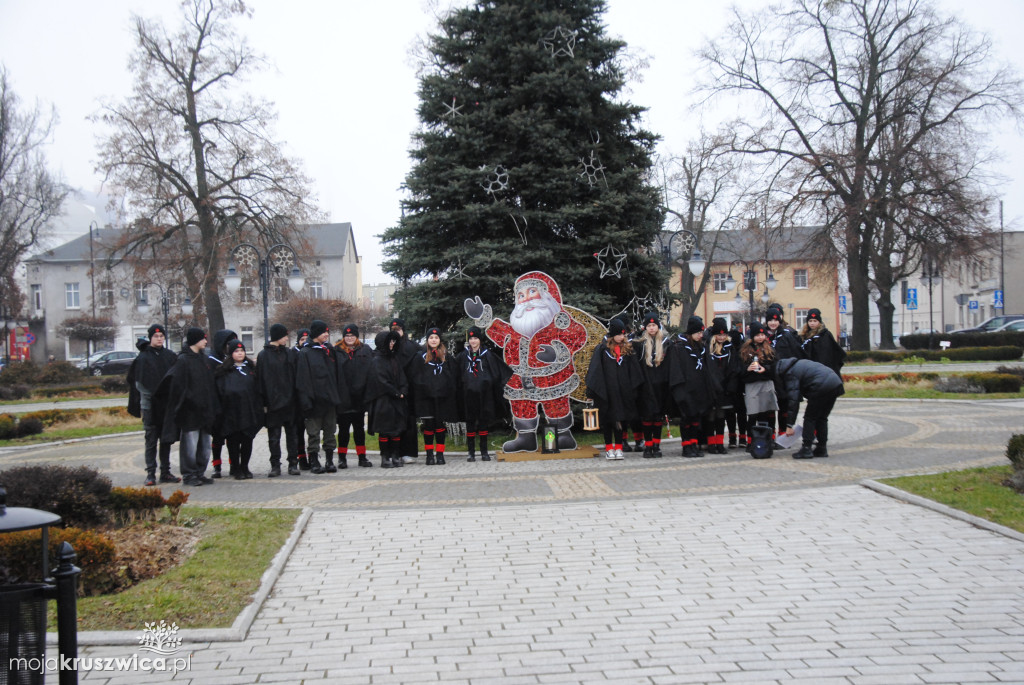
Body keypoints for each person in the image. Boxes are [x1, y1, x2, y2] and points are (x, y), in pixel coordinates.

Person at [464, 271, 587, 452]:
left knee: (555, 405)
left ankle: (561, 436)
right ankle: (525, 438)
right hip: (520, 379)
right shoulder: (515, 328)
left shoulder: (559, 323)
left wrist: (558, 352)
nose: (526, 299)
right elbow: (498, 331)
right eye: (521, 295)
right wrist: (483, 317)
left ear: (547, 296)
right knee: (522, 406)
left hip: (552, 377)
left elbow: (578, 336)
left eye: (532, 292)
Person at [154, 327, 219, 486]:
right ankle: (189, 475)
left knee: (204, 446)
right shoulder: (183, 360)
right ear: (195, 340)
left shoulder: (204, 359)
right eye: (203, 338)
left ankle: (200, 472)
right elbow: (176, 385)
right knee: (190, 445)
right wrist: (188, 401)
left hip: (205, 411)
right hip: (190, 412)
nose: (205, 341)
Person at [126, 324, 180, 486]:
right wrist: (154, 394)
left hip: (166, 405)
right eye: (156, 336)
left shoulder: (169, 356)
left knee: (166, 439)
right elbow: (138, 382)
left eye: (161, 336)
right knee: (151, 440)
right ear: (150, 338)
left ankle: (165, 472)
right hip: (149, 405)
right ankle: (150, 473)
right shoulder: (143, 357)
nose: (159, 339)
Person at [585, 318, 645, 459]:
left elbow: (634, 372)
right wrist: (591, 392)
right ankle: (608, 448)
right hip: (606, 392)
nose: (621, 337)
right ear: (613, 335)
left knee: (620, 420)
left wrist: (634, 389)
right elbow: (595, 371)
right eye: (618, 334)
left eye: (623, 334)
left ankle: (618, 447)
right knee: (608, 421)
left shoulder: (628, 350)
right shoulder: (602, 350)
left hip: (622, 392)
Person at [455, 326, 512, 462]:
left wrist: (490, 382)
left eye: (475, 338)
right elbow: (455, 372)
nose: (473, 341)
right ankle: (471, 452)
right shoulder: (463, 356)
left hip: (484, 395)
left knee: (483, 423)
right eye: (471, 339)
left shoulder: (487, 355)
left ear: (480, 340)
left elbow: (498, 372)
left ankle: (484, 451)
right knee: (470, 423)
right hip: (468, 395)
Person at [668, 316, 719, 458]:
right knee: (687, 418)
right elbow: (675, 370)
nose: (701, 335)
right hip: (686, 389)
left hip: (699, 389)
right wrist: (679, 389)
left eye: (702, 333)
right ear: (691, 332)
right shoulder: (678, 347)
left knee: (696, 419)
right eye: (698, 333)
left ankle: (694, 444)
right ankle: (686, 446)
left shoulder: (701, 347)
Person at [295, 320, 341, 474]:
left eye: (327, 332)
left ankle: (329, 460)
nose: (326, 334)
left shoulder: (328, 350)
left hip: (329, 400)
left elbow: (335, 375)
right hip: (314, 401)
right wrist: (306, 400)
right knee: (313, 433)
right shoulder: (305, 353)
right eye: (323, 332)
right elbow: (303, 379)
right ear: (315, 334)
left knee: (330, 431)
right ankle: (313, 460)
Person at [775, 357, 845, 459]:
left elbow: (793, 401)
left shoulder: (790, 374)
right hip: (836, 383)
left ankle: (806, 449)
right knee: (822, 418)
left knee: (810, 418)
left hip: (821, 386)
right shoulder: (799, 364)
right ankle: (822, 448)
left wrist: (789, 425)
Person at [257, 323, 300, 477]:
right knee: (274, 437)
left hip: (290, 401)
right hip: (273, 402)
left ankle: (293, 463)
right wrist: (263, 402)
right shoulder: (264, 355)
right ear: (277, 337)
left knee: (292, 435)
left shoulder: (290, 354)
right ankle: (275, 464)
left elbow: (296, 376)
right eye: (284, 336)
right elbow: (261, 380)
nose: (287, 339)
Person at [412, 327, 460, 465]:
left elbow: (453, 376)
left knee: (440, 426)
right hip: (426, 398)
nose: (434, 340)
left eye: (436, 338)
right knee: (429, 426)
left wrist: (446, 388)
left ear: (440, 340)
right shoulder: (419, 356)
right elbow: (415, 376)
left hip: (442, 398)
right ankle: (429, 455)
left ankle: (440, 454)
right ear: (428, 340)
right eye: (431, 338)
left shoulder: (446, 357)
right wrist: (425, 388)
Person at [215, 340, 262, 479]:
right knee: (234, 442)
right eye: (236, 351)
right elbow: (220, 390)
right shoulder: (224, 370)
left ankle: (245, 466)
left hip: (248, 411)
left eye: (242, 351)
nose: (240, 353)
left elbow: (257, 389)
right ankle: (236, 468)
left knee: (247, 440)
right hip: (231, 412)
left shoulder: (251, 369)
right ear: (231, 354)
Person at [334, 323, 375, 468]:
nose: (349, 338)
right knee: (343, 430)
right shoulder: (336, 351)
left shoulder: (365, 350)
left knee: (359, 430)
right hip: (343, 397)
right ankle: (342, 458)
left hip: (359, 397)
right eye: (347, 335)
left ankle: (362, 457)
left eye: (352, 335)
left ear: (356, 336)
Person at [367, 329, 409, 468]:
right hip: (383, 400)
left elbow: (402, 377)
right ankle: (385, 457)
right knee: (385, 429)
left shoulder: (394, 358)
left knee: (397, 428)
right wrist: (396, 392)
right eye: (389, 341)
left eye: (393, 341)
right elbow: (381, 380)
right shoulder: (377, 359)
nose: (392, 344)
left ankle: (395, 455)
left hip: (397, 400)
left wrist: (403, 390)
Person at [634, 312, 670, 458]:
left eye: (654, 325)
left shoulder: (666, 343)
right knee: (648, 417)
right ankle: (648, 445)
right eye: (649, 325)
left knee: (658, 417)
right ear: (645, 327)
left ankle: (656, 445)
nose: (651, 328)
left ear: (658, 326)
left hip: (661, 387)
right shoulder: (640, 344)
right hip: (646, 387)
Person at [388, 317, 424, 463]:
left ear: (403, 330)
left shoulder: (413, 346)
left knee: (409, 422)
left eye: (398, 329)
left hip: (409, 390)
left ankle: (407, 452)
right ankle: (393, 452)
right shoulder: (388, 346)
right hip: (392, 389)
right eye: (393, 330)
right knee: (393, 422)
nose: (396, 332)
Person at [738, 323, 778, 451]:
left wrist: (765, 369)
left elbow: (776, 367)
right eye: (757, 335)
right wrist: (747, 369)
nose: (760, 338)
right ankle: (751, 441)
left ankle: (768, 439)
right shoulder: (745, 350)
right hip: (752, 384)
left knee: (767, 413)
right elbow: (738, 370)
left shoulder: (770, 350)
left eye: (762, 335)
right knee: (753, 414)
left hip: (766, 382)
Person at [765, 305, 801, 447]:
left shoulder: (787, 336)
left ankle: (783, 436)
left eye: (775, 320)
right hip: (769, 376)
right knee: (770, 408)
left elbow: (796, 354)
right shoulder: (763, 336)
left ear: (780, 321)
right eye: (770, 320)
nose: (773, 323)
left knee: (784, 407)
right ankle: (771, 435)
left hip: (784, 376)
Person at [705, 317, 741, 454]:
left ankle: (720, 443)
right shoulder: (708, 348)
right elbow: (708, 368)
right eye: (719, 335)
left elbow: (733, 367)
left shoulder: (730, 348)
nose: (721, 337)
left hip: (725, 388)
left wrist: (730, 384)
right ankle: (711, 443)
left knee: (721, 416)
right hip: (712, 387)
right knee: (711, 416)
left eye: (723, 334)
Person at [205, 329, 237, 478]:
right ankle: (216, 465)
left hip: (230, 404)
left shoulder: (232, 361)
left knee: (232, 437)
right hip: (217, 404)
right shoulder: (212, 361)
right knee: (217, 438)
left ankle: (233, 464)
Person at [799, 308, 847, 376]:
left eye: (815, 321)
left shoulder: (825, 335)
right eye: (810, 321)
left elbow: (829, 353)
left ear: (819, 322)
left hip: (823, 369)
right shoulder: (804, 336)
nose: (812, 323)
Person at [292, 327, 311, 469]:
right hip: (296, 399)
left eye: (306, 339)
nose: (304, 342)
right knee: (298, 431)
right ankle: (301, 457)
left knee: (311, 430)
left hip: (309, 397)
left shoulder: (311, 352)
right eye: (302, 339)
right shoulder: (292, 354)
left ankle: (312, 456)